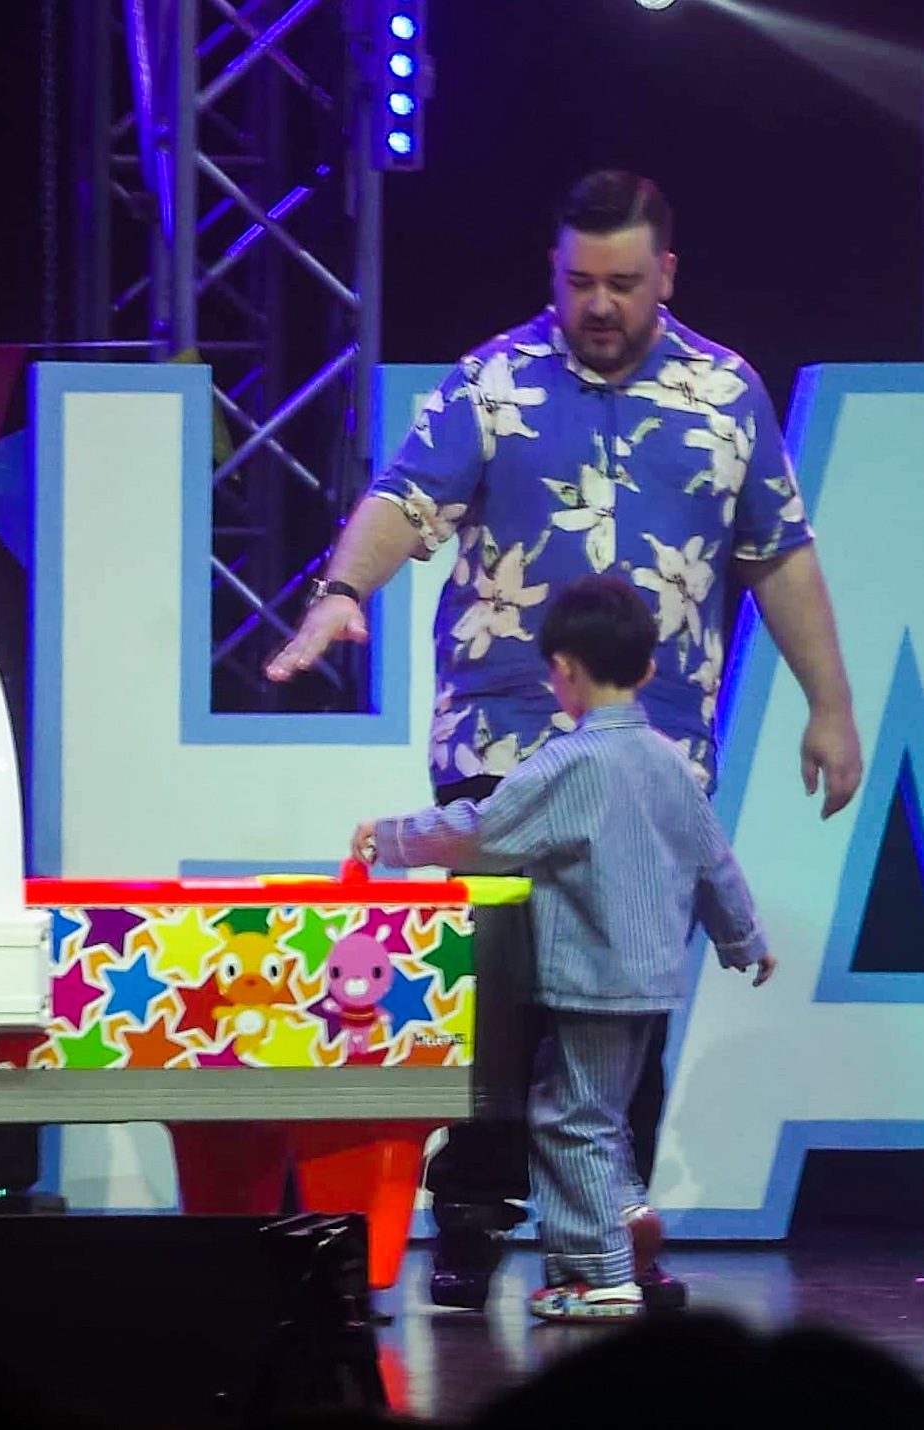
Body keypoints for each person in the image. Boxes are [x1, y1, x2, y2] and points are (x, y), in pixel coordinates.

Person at [262, 170, 860, 1309]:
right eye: (578, 281)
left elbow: (778, 552)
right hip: (507, 734)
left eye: (622, 284)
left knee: (622, 989)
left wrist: (831, 703)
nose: (598, 304)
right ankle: (476, 1223)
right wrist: (343, 588)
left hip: (651, 750)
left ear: (664, 275)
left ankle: (611, 1230)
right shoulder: (491, 380)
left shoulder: (725, 391)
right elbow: (405, 498)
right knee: (511, 989)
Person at [354, 576, 774, 1321]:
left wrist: (391, 836)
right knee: (599, 1113)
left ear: (563, 671)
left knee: (569, 1118)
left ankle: (596, 1272)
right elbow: (715, 861)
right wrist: (744, 939)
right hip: (649, 979)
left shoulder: (566, 765)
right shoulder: (672, 762)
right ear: (647, 670)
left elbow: (480, 830)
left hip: (589, 978)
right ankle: (626, 1212)